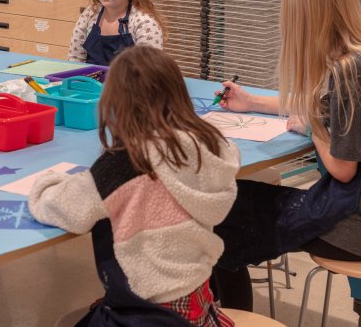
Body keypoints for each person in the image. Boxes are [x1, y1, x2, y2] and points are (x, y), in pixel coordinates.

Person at [211, 0, 361, 321]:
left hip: (356, 225)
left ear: (306, 17)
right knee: (232, 202)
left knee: (217, 221)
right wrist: (252, 103)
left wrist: (312, 128)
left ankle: (226, 318)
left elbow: (342, 169)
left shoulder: (350, 70)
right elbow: (320, 105)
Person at [30, 46, 239, 326]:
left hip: (146, 314)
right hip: (196, 305)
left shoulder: (126, 162)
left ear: (117, 103)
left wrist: (46, 182)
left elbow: (68, 208)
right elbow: (231, 151)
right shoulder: (209, 144)